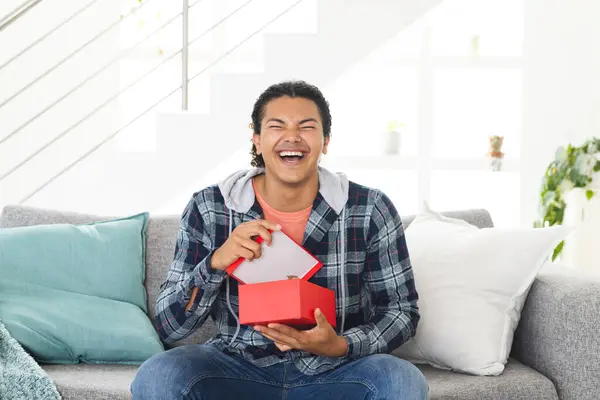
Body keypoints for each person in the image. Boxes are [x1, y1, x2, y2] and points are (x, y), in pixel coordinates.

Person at [131, 80, 428, 399]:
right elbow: (169, 326)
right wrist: (218, 262)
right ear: (257, 140)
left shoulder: (369, 208)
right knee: (159, 373)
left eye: (306, 126)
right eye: (277, 126)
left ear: (325, 140)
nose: (292, 137)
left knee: (402, 380)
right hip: (236, 365)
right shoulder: (210, 207)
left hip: (336, 370)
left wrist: (340, 345)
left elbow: (401, 311)